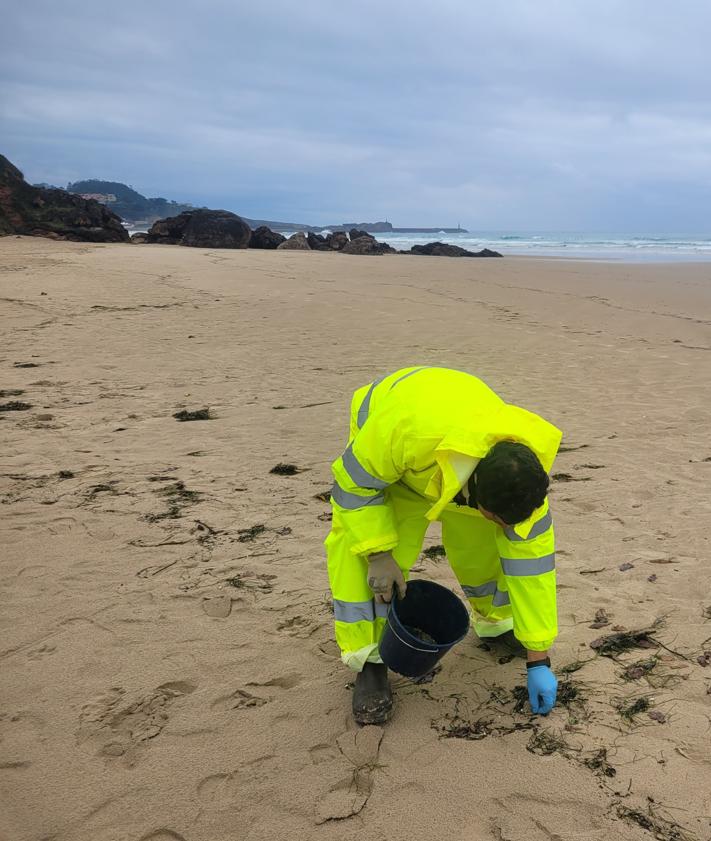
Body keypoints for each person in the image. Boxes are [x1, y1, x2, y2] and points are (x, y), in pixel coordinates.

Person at [325, 366, 561, 725]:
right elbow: (351, 487)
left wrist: (538, 658)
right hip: (399, 460)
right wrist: (378, 553)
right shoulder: (404, 430)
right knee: (361, 554)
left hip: (457, 443)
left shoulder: (522, 478)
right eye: (498, 518)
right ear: (479, 494)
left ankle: (497, 623)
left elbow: (533, 569)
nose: (505, 527)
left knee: (485, 552)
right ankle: (370, 663)